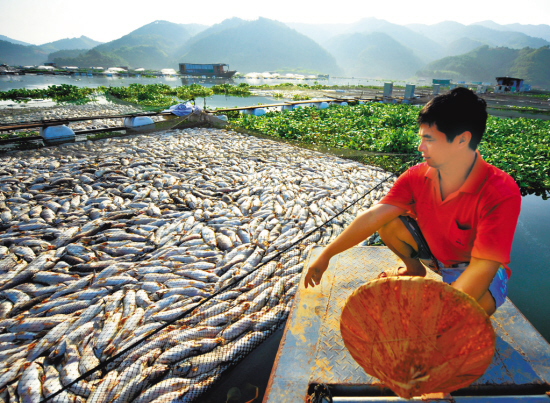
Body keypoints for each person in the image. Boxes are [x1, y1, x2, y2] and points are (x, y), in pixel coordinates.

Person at [304, 87, 521, 316]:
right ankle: (414, 270)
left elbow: (483, 265)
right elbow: (374, 216)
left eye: (429, 139)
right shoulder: (417, 175)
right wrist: (326, 254)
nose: (420, 148)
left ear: (461, 140)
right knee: (388, 222)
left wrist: (438, 310)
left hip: (475, 270)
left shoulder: (500, 190)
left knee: (464, 317)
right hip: (437, 257)